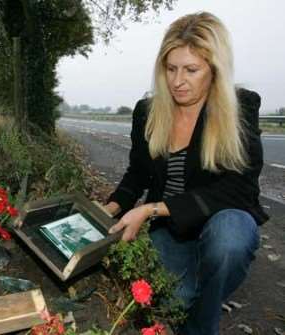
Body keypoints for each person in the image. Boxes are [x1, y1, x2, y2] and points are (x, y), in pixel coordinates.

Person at [104, 11, 269, 335]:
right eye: (171, 69)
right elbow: (137, 173)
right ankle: (204, 296)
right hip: (170, 230)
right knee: (175, 299)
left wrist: (151, 208)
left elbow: (240, 190)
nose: (178, 81)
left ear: (214, 70)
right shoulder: (147, 112)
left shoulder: (241, 108)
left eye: (191, 70)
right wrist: (110, 208)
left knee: (229, 240)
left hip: (221, 220)